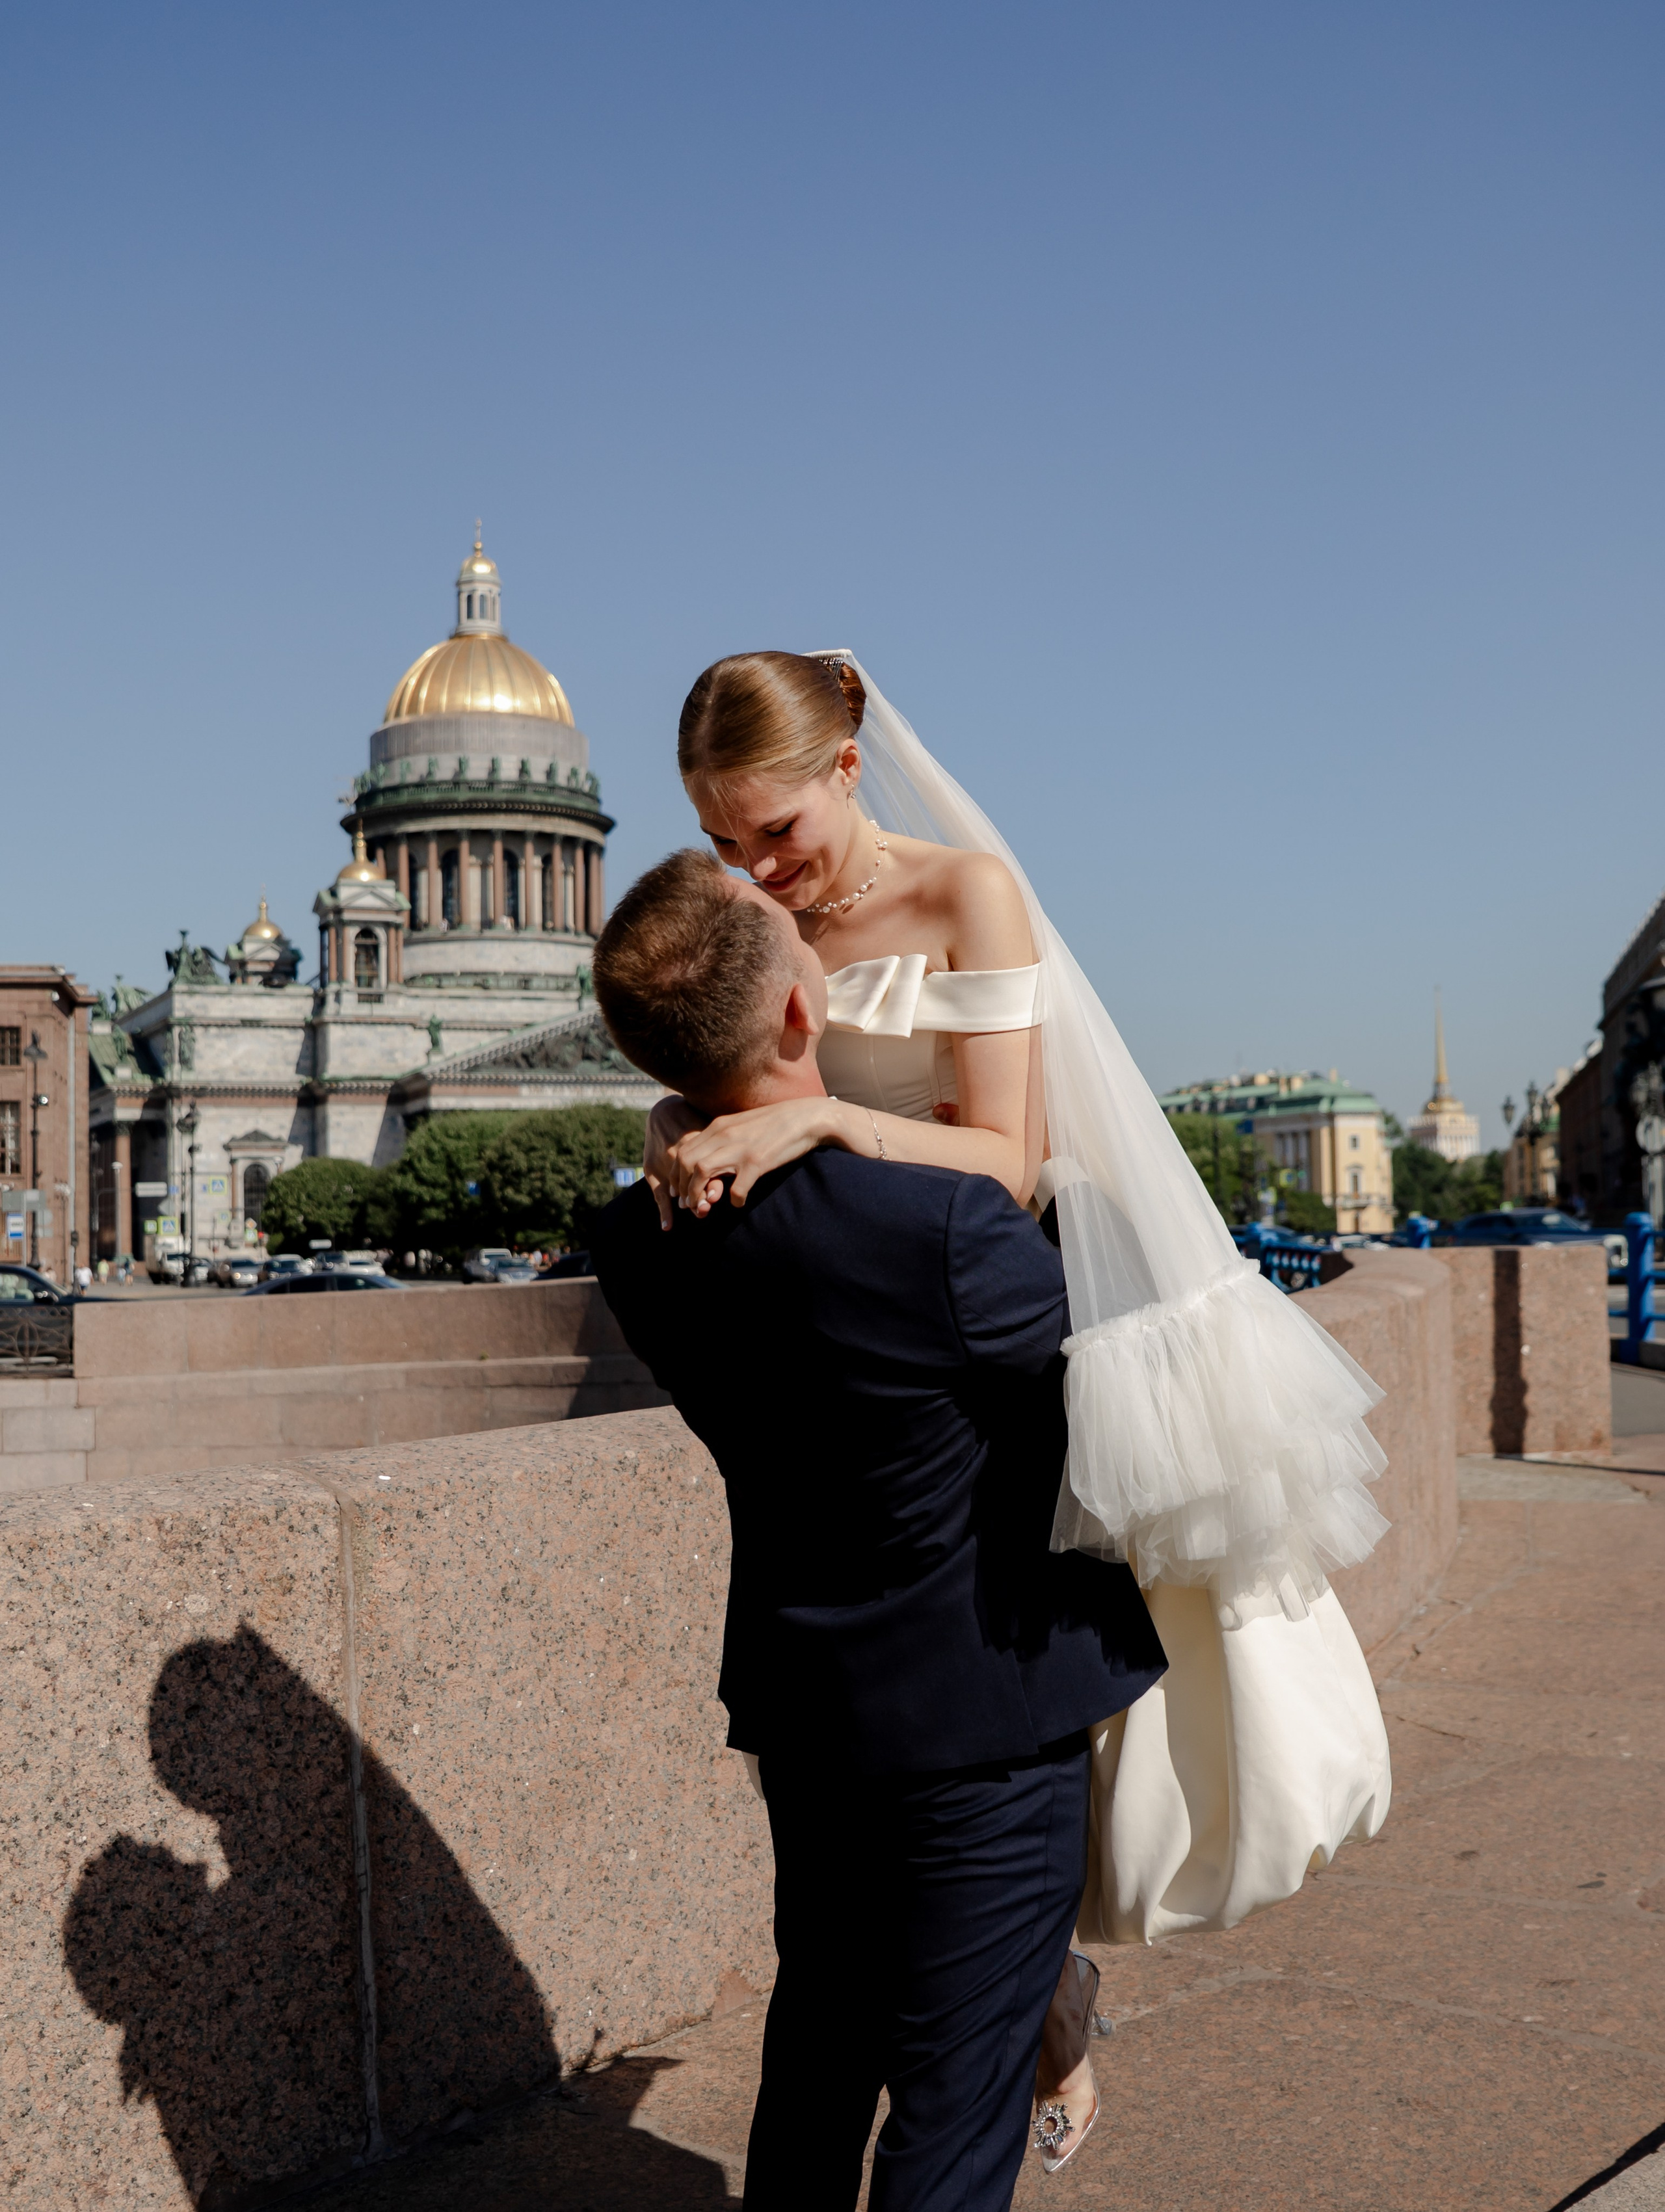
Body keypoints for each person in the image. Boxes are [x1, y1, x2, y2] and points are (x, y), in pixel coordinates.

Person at [648, 652, 1394, 2150]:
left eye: (775, 831)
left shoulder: (965, 891)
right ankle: (1037, 2000)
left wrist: (817, 1118)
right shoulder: (759, 913)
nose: (756, 872)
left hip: (994, 1328)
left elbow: (1010, 1154)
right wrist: (683, 1113)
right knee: (934, 1772)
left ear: (849, 771)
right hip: (870, 1344)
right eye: (725, 844)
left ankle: (1032, 1998)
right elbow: (722, 1051)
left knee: (1031, 1714)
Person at [587, 849, 1168, 2210]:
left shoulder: (640, 1239)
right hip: (981, 1722)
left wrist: (688, 1108)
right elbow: (1135, 1342)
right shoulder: (946, 1228)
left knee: (817, 2066)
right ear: (803, 1015)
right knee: (955, 2120)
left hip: (809, 1712)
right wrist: (929, 1139)